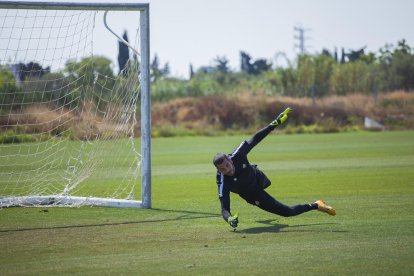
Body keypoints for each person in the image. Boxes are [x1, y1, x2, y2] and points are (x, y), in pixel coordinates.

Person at [213, 107, 336, 230]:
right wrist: (229, 218)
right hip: (253, 194)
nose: (227, 170)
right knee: (287, 212)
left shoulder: (238, 154)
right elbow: (224, 209)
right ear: (219, 170)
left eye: (227, 165)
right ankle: (316, 205)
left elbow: (256, 138)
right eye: (223, 169)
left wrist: (274, 123)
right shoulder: (223, 181)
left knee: (261, 179)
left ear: (229, 159)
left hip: (258, 177)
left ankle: (316, 205)